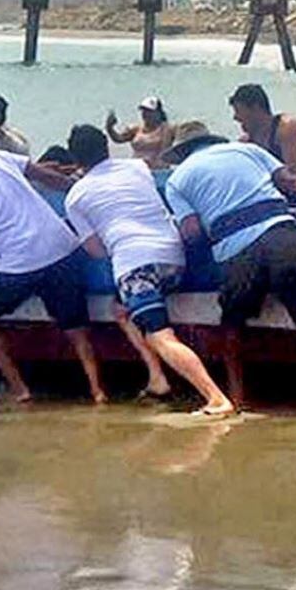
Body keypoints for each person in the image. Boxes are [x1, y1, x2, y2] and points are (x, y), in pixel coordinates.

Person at [161, 120, 296, 412]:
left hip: (235, 247)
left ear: (182, 153)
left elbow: (192, 233)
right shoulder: (247, 150)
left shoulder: (177, 179)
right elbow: (294, 182)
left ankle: (237, 396)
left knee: (232, 322)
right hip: (280, 232)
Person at [63, 125, 235, 415]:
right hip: (173, 258)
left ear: (76, 159)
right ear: (106, 147)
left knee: (160, 335)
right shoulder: (137, 168)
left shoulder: (75, 197)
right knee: (120, 309)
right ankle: (157, 378)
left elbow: (96, 250)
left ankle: (215, 398)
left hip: (135, 265)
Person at [0, 142, 107, 404]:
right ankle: (97, 389)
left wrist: (8, 257)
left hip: (18, 265)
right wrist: (76, 187)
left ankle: (20, 389)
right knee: (76, 329)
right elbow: (44, 176)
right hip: (62, 248)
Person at [230, 83, 296, 193]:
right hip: (278, 199)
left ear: (256, 108)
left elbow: (293, 176)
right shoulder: (247, 143)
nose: (235, 117)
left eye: (238, 111)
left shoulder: (287, 128)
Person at [106, 96, 174, 169]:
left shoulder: (167, 129)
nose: (145, 114)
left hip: (158, 171)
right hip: (137, 171)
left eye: (149, 111)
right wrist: (109, 127)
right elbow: (118, 139)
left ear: (158, 113)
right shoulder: (135, 129)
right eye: (143, 111)